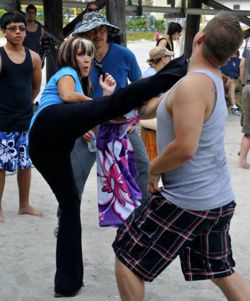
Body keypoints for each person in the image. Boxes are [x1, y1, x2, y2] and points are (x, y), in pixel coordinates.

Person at [28, 35, 187, 297]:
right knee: (118, 101)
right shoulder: (66, 73)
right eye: (81, 54)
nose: (87, 58)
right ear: (70, 56)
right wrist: (104, 105)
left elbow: (90, 115)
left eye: (89, 54)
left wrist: (101, 110)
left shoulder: (87, 85)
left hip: (48, 148)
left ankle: (67, 283)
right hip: (48, 125)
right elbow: (67, 97)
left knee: (70, 206)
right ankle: (178, 69)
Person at [113, 12, 250, 301]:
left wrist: (153, 168)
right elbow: (165, 104)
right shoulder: (207, 78)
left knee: (128, 258)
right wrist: (128, 105)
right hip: (217, 199)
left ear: (198, 39)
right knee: (221, 270)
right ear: (228, 56)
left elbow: (185, 148)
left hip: (189, 201)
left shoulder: (193, 85)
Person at [72, 12, 150, 204]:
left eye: (101, 29)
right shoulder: (76, 59)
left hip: (121, 122)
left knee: (143, 165)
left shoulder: (124, 55)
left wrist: (135, 118)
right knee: (74, 173)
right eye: (91, 31)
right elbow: (68, 95)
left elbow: (139, 90)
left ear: (107, 31)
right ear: (84, 34)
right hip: (88, 123)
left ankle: (145, 216)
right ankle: (66, 218)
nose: (97, 35)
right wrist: (79, 125)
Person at [0, 12, 43, 224]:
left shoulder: (34, 57)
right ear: (4, 31)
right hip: (2, 121)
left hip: (25, 119)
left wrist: (25, 105)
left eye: (21, 28)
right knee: (0, 165)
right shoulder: (0, 56)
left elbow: (35, 87)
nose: (18, 32)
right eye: (12, 28)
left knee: (25, 164)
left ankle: (24, 204)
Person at [140, 46, 174, 160]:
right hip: (150, 122)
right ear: (163, 58)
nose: (171, 60)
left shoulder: (154, 73)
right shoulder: (152, 76)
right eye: (170, 57)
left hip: (151, 120)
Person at [238, 38, 250, 169]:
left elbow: (242, 65)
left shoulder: (249, 41)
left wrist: (243, 83)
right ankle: (242, 161)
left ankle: (242, 159)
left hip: (248, 87)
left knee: (248, 128)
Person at [220, 51, 241, 116]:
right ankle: (234, 107)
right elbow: (218, 72)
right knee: (231, 83)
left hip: (237, 81)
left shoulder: (239, 61)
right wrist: (227, 78)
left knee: (232, 83)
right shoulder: (222, 62)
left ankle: (233, 106)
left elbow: (243, 71)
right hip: (224, 81)